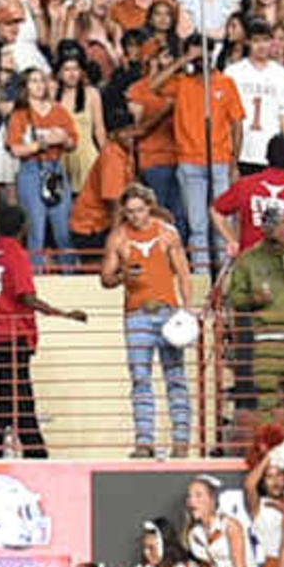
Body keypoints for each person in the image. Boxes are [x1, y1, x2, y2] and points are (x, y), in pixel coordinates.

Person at [0, 204, 84, 455]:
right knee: (19, 393)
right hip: (14, 331)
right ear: (23, 227)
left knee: (9, 390)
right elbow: (27, 296)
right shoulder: (16, 254)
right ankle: (32, 450)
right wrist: (63, 313)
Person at [102, 187, 194, 458]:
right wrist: (122, 275)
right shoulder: (118, 237)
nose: (135, 216)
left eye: (140, 210)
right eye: (130, 211)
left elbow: (184, 274)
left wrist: (186, 310)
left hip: (168, 312)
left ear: (149, 207)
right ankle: (144, 441)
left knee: (175, 377)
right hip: (136, 314)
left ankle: (181, 441)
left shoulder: (167, 233)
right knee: (140, 378)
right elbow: (105, 278)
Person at [221, 205, 284, 440]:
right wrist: (253, 299)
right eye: (273, 224)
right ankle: (269, 446)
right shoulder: (249, 259)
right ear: (264, 227)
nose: (278, 228)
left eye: (282, 223)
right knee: (267, 399)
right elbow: (235, 297)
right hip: (266, 338)